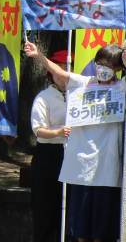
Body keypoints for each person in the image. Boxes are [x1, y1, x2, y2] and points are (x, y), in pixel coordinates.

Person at [24, 41, 122, 242]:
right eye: (100, 63)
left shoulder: (121, 88)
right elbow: (61, 74)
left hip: (107, 167)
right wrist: (39, 56)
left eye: (109, 66)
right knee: (80, 229)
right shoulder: (86, 83)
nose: (103, 69)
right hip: (81, 168)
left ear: (118, 69)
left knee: (101, 230)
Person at [30, 50, 72, 242]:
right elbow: (38, 131)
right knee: (45, 207)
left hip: (71, 155)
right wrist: (57, 132)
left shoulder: (76, 96)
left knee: (67, 206)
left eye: (67, 69)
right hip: (48, 156)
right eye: (60, 68)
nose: (64, 73)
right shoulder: (43, 97)